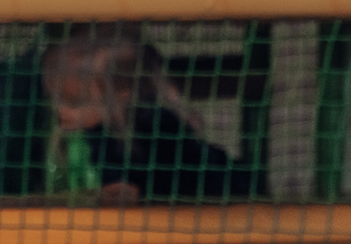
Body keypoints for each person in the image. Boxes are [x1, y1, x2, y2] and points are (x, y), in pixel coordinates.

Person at [42, 25, 250, 203]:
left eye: (75, 103)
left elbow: (131, 186)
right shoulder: (97, 132)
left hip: (225, 199)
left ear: (121, 94)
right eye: (56, 99)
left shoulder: (146, 130)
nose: (60, 111)